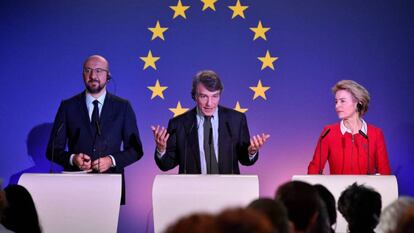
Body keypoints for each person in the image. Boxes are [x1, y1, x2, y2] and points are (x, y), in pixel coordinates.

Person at [46, 55, 144, 204]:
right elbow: (52, 150)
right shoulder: (68, 107)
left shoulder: (123, 107)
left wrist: (111, 161)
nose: (93, 76)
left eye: (99, 70)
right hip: (75, 187)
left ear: (108, 75)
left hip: (110, 186)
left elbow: (136, 150)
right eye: (88, 70)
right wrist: (73, 159)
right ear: (83, 75)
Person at [152, 70, 269, 174]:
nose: (209, 103)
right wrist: (161, 150)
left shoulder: (236, 120)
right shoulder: (178, 124)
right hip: (192, 193)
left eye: (215, 96)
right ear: (194, 96)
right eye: (204, 96)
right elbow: (166, 165)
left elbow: (245, 160)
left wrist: (251, 152)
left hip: (228, 192)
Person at [308, 80, 391, 174]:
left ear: (359, 103)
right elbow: (314, 169)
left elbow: (384, 172)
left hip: (365, 189)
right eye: (336, 102)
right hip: (337, 188)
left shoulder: (375, 134)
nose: (337, 106)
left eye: (342, 101)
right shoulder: (328, 132)